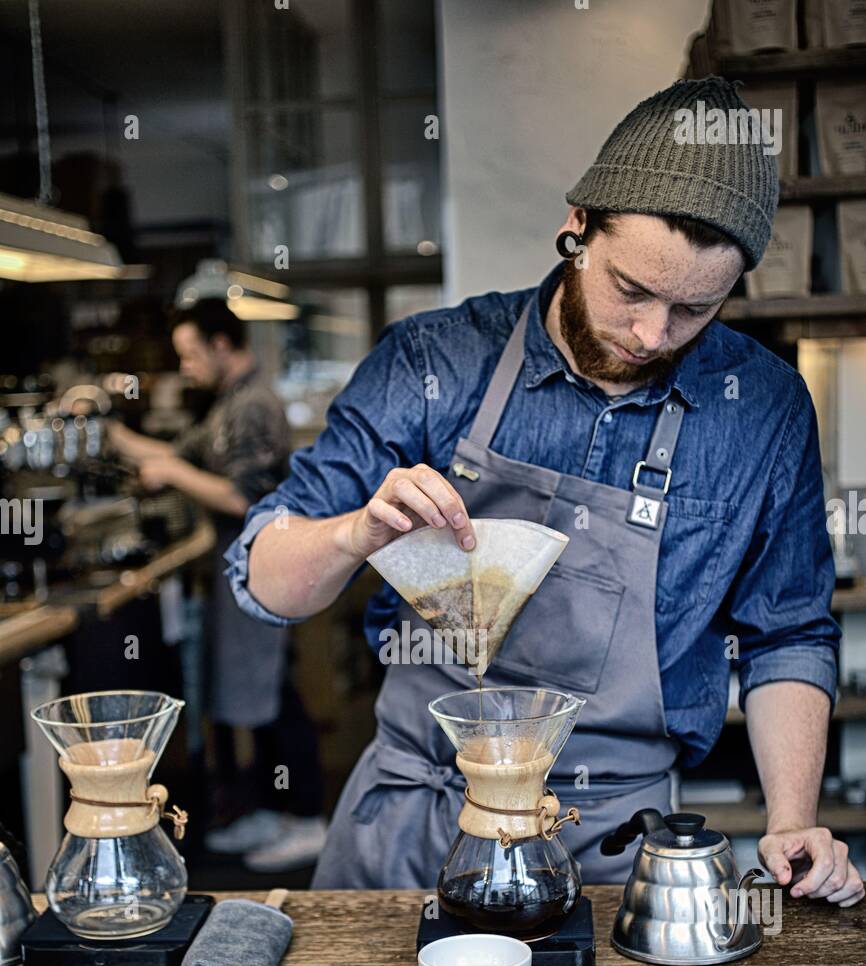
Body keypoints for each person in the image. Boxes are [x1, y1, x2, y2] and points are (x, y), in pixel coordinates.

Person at [224, 76, 863, 907]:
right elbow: (264, 578)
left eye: (693, 310)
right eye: (630, 290)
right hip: (413, 830)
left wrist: (790, 819)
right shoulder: (433, 362)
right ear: (577, 230)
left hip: (609, 851)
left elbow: (786, 632)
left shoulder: (763, 411)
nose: (650, 335)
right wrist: (354, 536)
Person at [110, 297, 326, 871]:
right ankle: (279, 812)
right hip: (241, 565)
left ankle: (309, 820)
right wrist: (110, 434)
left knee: (275, 691)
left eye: (188, 354)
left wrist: (174, 474)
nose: (185, 367)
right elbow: (180, 455)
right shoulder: (229, 403)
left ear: (221, 345)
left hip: (266, 563)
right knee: (261, 690)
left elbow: (241, 495)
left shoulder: (252, 407)